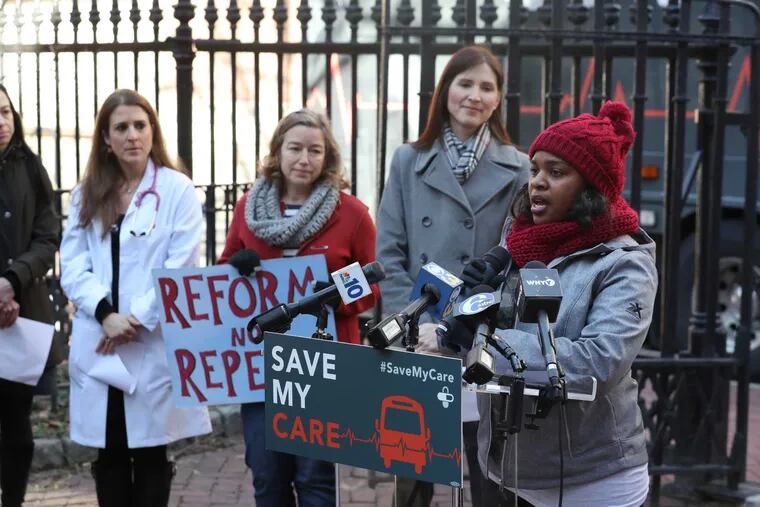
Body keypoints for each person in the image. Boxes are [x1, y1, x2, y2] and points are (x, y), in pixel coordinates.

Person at [467, 101, 657, 506]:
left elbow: (599, 361)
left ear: (590, 188)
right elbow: (489, 326)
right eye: (534, 169)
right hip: (507, 468)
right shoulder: (518, 239)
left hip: (591, 479)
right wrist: (464, 312)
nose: (537, 182)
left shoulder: (625, 263)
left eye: (556, 173)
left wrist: (487, 343)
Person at [375, 45, 530, 507]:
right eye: (465, 84)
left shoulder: (519, 167)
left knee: (488, 475)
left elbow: (517, 258)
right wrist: (415, 324)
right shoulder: (408, 160)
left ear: (498, 99)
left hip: (481, 338)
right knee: (412, 469)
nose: (474, 96)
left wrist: (468, 327)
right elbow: (390, 252)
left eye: (486, 87)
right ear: (446, 91)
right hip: (418, 335)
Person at [218, 108, 378, 506]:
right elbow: (221, 275)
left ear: (327, 157)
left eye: (314, 151)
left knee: (315, 479)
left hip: (323, 366)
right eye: (294, 149)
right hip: (260, 367)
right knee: (266, 475)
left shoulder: (352, 214)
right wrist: (235, 267)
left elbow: (371, 286)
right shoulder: (247, 209)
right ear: (277, 152)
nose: (304, 159)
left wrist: (336, 295)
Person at [59, 89, 211, 507]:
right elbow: (72, 265)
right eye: (121, 127)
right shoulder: (87, 193)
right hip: (101, 339)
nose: (132, 135)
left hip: (149, 339)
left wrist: (135, 320)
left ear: (152, 131)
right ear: (106, 139)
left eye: (140, 126)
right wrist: (106, 314)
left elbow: (180, 267)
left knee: (150, 453)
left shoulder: (177, 190)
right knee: (108, 454)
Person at [0, 84, 61, 507]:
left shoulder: (30, 166)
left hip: (20, 318)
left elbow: (48, 237)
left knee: (17, 429)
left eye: (5, 112)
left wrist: (12, 281)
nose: (1, 122)